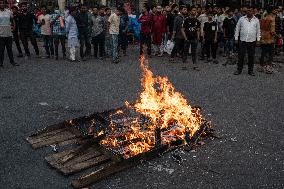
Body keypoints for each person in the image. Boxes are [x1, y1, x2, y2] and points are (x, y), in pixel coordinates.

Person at [234, 7, 261, 76]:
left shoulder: (256, 20)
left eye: (251, 11)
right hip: (242, 41)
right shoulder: (241, 19)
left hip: (252, 41)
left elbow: (258, 31)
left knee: (251, 56)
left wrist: (258, 40)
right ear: (246, 12)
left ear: (253, 12)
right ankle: (239, 70)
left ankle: (250, 71)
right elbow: (237, 28)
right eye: (248, 11)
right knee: (241, 56)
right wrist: (236, 38)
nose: (249, 12)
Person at [0, 2, 18, 68]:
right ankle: (1, 63)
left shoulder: (9, 11)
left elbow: (12, 19)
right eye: (0, 3)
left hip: (9, 33)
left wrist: (14, 26)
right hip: (1, 34)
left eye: (2, 3)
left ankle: (12, 62)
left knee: (9, 49)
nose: (1, 4)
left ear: (5, 4)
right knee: (1, 50)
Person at [259, 7, 275, 74]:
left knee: (263, 52)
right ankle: (268, 67)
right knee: (270, 53)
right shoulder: (272, 19)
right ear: (271, 11)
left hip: (263, 38)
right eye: (275, 10)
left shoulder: (263, 18)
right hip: (269, 39)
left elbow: (261, 28)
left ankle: (261, 66)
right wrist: (278, 36)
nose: (276, 11)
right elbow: (272, 31)